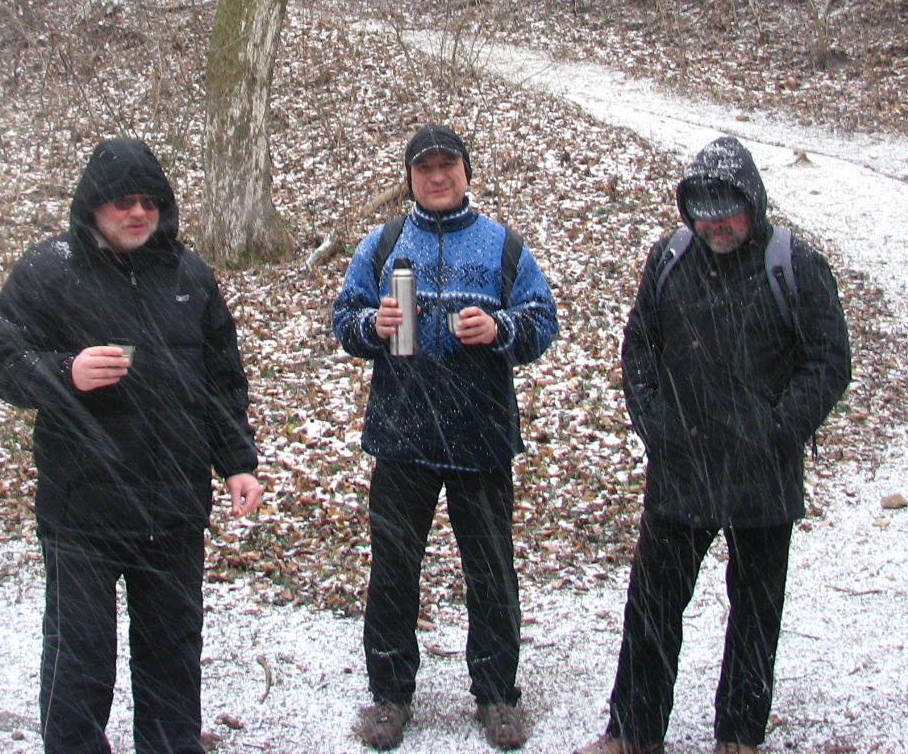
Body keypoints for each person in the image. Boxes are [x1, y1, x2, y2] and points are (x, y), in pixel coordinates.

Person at [0, 138, 263, 754]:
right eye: (122, 202)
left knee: (172, 658)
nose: (138, 213)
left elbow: (221, 381)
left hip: (173, 507)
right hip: (82, 509)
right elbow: (1, 363)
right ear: (93, 205)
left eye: (149, 202)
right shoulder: (49, 270)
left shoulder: (190, 278)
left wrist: (237, 462)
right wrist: (67, 372)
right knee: (79, 661)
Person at [576, 136, 851, 754]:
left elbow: (829, 362)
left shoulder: (796, 265)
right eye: (703, 212)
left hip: (763, 474)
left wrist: (777, 431)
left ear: (753, 202)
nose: (715, 224)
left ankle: (739, 736)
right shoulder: (670, 259)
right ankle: (632, 732)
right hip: (682, 467)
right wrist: (656, 424)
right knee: (652, 606)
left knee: (755, 612)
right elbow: (639, 346)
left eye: (728, 210)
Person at [333, 124, 559, 752]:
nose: (437, 177)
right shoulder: (383, 245)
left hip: (480, 437)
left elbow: (543, 321)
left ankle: (497, 695)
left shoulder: (502, 245)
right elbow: (344, 320)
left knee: (491, 572)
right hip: (400, 436)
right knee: (393, 572)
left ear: (465, 172)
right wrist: (373, 326)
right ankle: (389, 696)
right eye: (424, 168)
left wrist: (501, 328)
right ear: (410, 178)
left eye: (447, 165)